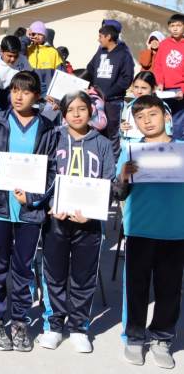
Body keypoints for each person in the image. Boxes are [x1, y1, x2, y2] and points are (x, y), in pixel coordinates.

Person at [0, 70, 57, 352]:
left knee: (23, 267)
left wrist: (32, 198)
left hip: (29, 212)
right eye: (14, 90)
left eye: (26, 91)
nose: (19, 96)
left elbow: (53, 169)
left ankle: (20, 321)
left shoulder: (47, 128)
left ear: (37, 96)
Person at [38, 91, 115, 354]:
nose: (77, 114)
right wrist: (50, 204)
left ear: (91, 112)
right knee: (54, 274)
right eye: (71, 109)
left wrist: (93, 212)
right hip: (57, 220)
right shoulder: (54, 137)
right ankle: (54, 325)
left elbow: (108, 181)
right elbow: (45, 174)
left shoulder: (102, 143)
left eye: (82, 109)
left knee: (83, 276)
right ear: (63, 112)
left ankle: (80, 327)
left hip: (88, 222)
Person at [115, 95, 184, 368]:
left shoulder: (181, 149)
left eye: (152, 115)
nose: (146, 121)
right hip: (139, 230)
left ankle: (162, 338)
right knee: (136, 287)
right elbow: (118, 192)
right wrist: (123, 176)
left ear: (166, 117)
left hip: (175, 231)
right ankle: (134, 337)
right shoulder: (131, 151)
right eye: (140, 117)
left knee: (169, 289)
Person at [85, 24, 134, 155]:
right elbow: (89, 70)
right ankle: (99, 158)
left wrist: (108, 93)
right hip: (96, 101)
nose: (98, 39)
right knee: (96, 131)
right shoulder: (100, 52)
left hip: (113, 103)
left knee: (113, 133)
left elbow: (126, 79)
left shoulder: (124, 55)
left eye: (100, 36)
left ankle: (113, 163)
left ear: (109, 37)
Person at [150, 13, 184, 140]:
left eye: (179, 25)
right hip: (164, 91)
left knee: (178, 124)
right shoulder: (164, 44)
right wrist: (159, 83)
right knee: (162, 121)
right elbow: (158, 66)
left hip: (180, 92)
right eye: (172, 25)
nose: (175, 28)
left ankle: (179, 151)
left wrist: (182, 90)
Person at [0, 36, 23, 113]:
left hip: (21, 100)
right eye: (9, 56)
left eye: (15, 56)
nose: (13, 59)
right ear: (1, 51)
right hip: (3, 103)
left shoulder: (22, 59)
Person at [26, 21, 64, 95]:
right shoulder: (27, 50)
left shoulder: (53, 52)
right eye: (34, 34)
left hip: (47, 94)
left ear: (45, 36)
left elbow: (60, 74)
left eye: (40, 34)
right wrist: (26, 38)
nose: (37, 36)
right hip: (29, 91)